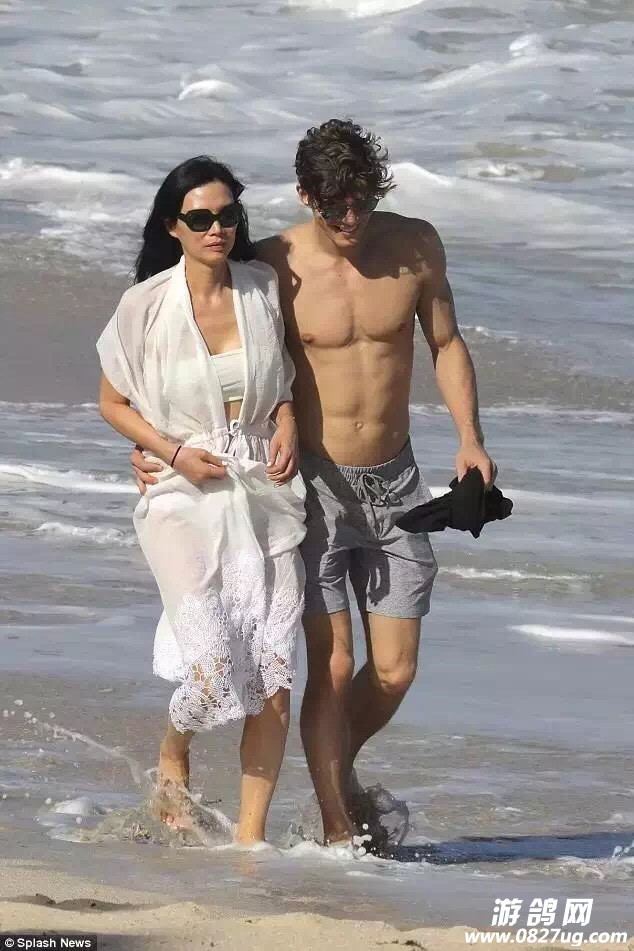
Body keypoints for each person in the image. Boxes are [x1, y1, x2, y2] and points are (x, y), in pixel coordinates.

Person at [132, 120, 497, 848]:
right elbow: (196, 345)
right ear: (306, 196)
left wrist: (471, 439)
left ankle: (338, 768)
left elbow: (445, 342)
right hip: (312, 487)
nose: (351, 219)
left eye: (361, 201)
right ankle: (336, 825)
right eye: (334, 207)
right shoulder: (274, 264)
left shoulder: (416, 246)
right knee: (331, 664)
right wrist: (155, 447)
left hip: (397, 483)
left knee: (394, 670)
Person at [97, 156, 307, 844]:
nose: (217, 228)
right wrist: (170, 451)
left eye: (227, 215)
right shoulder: (144, 304)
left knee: (273, 670)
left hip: (264, 488)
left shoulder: (262, 286)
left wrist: (286, 422)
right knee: (213, 667)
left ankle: (251, 841)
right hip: (181, 492)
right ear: (173, 226)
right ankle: (174, 748)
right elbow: (112, 403)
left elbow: (281, 383)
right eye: (200, 218)